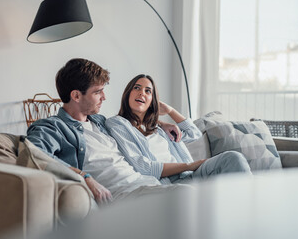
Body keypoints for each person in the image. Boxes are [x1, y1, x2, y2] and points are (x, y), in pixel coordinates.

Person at [26, 58, 187, 205]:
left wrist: (159, 123)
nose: (104, 97)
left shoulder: (101, 122)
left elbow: (128, 121)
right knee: (187, 195)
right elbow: (33, 153)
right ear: (76, 95)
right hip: (122, 195)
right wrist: (84, 177)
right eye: (97, 92)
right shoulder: (52, 127)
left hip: (147, 184)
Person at [105, 74, 252, 185]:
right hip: (172, 182)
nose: (142, 93)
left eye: (148, 91)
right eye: (136, 88)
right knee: (232, 159)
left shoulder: (159, 128)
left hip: (190, 175)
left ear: (152, 101)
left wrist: (170, 111)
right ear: (127, 94)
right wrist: (190, 165)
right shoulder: (117, 124)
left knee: (233, 158)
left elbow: (194, 134)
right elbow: (144, 167)